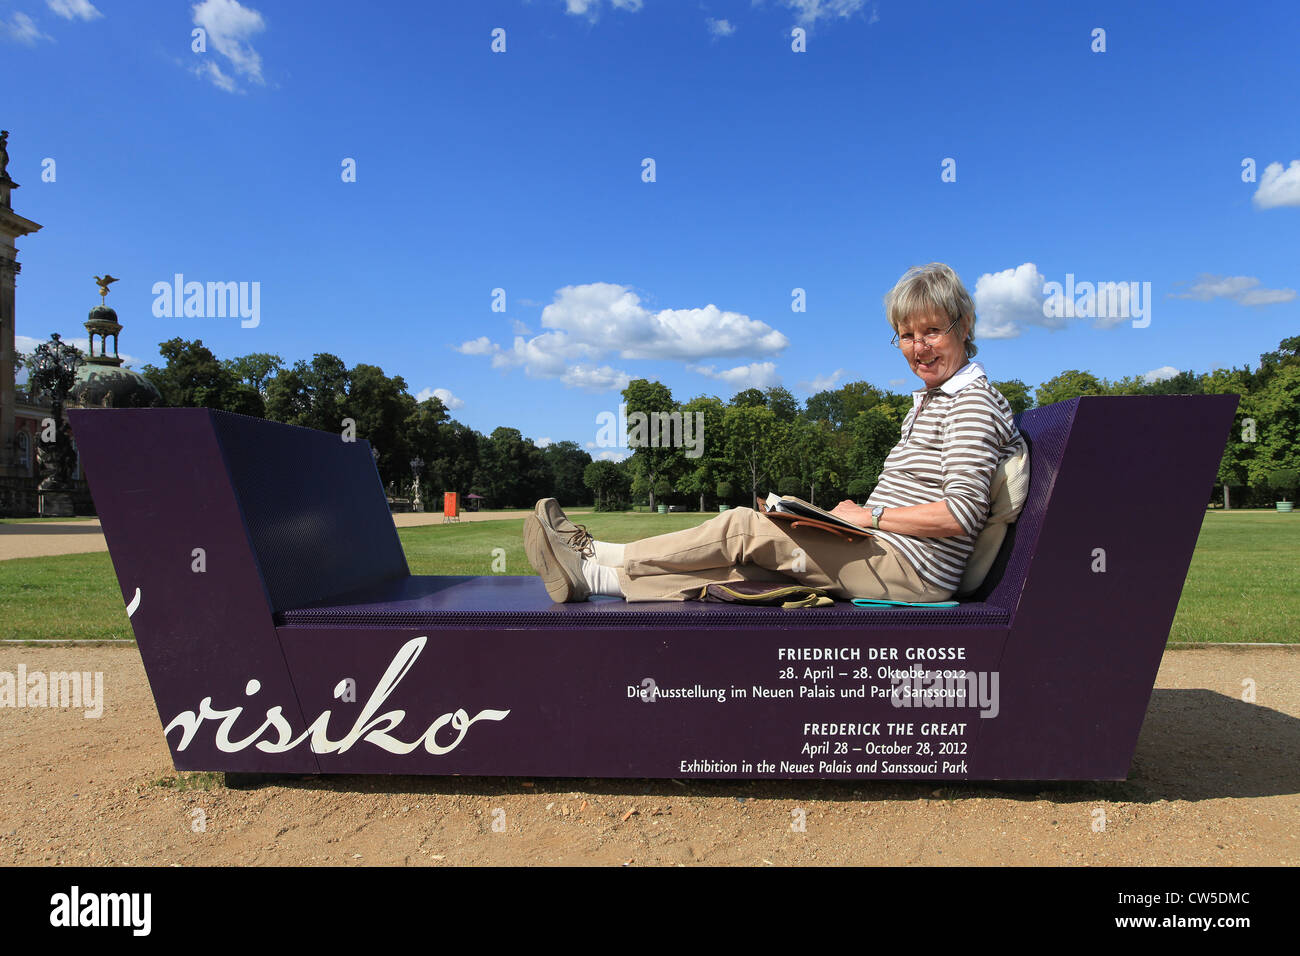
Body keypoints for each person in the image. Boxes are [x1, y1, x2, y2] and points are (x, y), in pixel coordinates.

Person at [522, 262, 1024, 604]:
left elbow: (960, 515)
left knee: (742, 528)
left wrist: (870, 515)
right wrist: (835, 520)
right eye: (907, 336)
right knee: (743, 573)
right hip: (886, 547)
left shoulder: (971, 401)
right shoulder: (935, 399)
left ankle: (594, 552)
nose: (919, 348)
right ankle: (593, 579)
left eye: (931, 331)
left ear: (963, 326)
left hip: (914, 571)